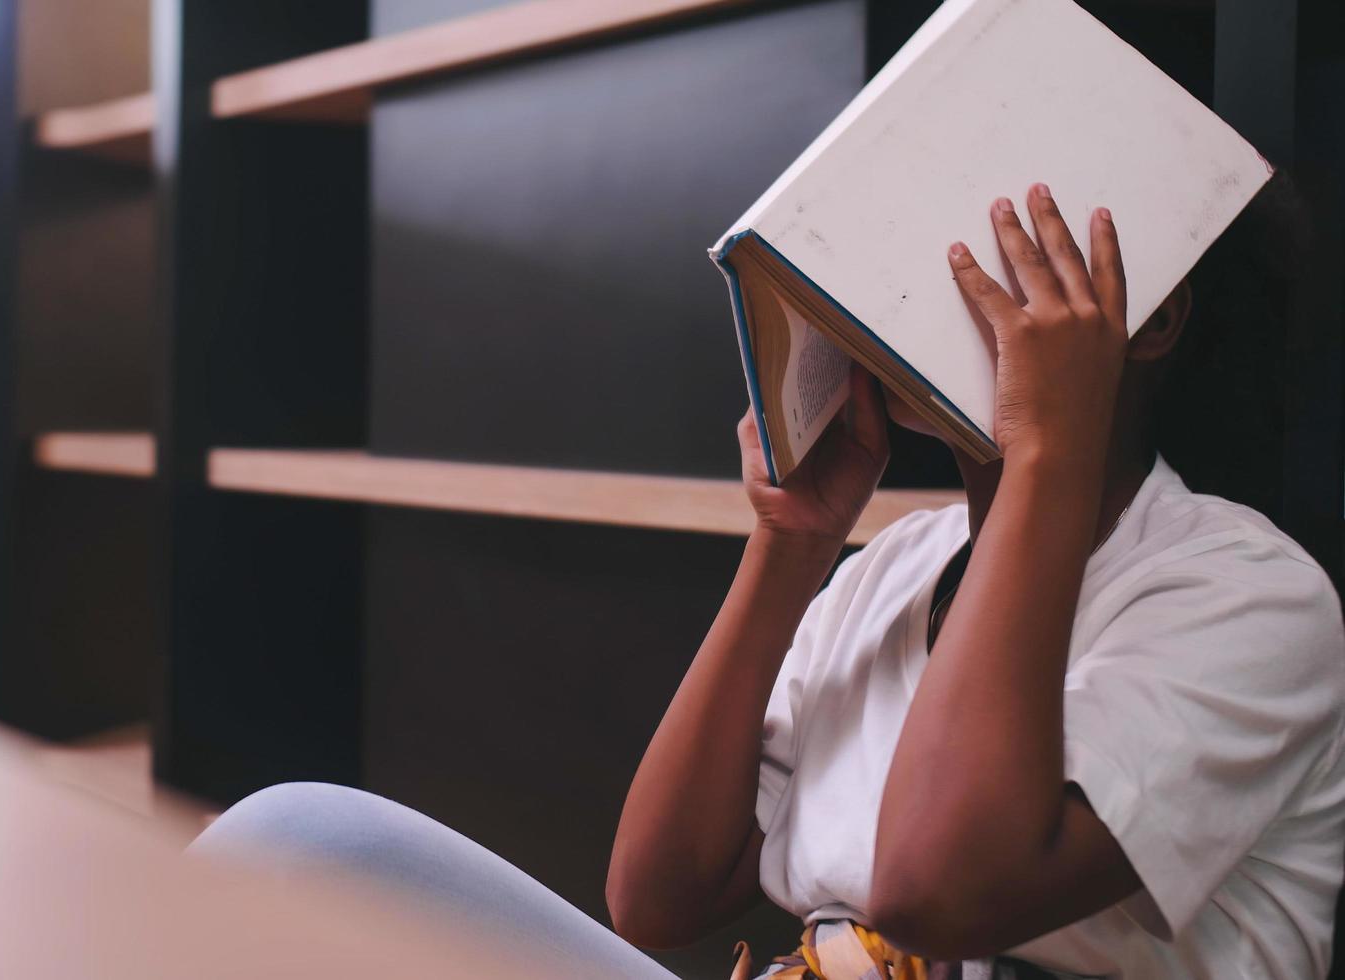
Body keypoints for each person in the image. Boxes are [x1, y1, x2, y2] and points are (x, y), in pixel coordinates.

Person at [190, 186, 1345, 979]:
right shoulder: (891, 567)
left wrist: (1048, 444)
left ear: (1138, 323)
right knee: (294, 839)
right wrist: (789, 546)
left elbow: (938, 888)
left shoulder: (1248, 593)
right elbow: (654, 895)